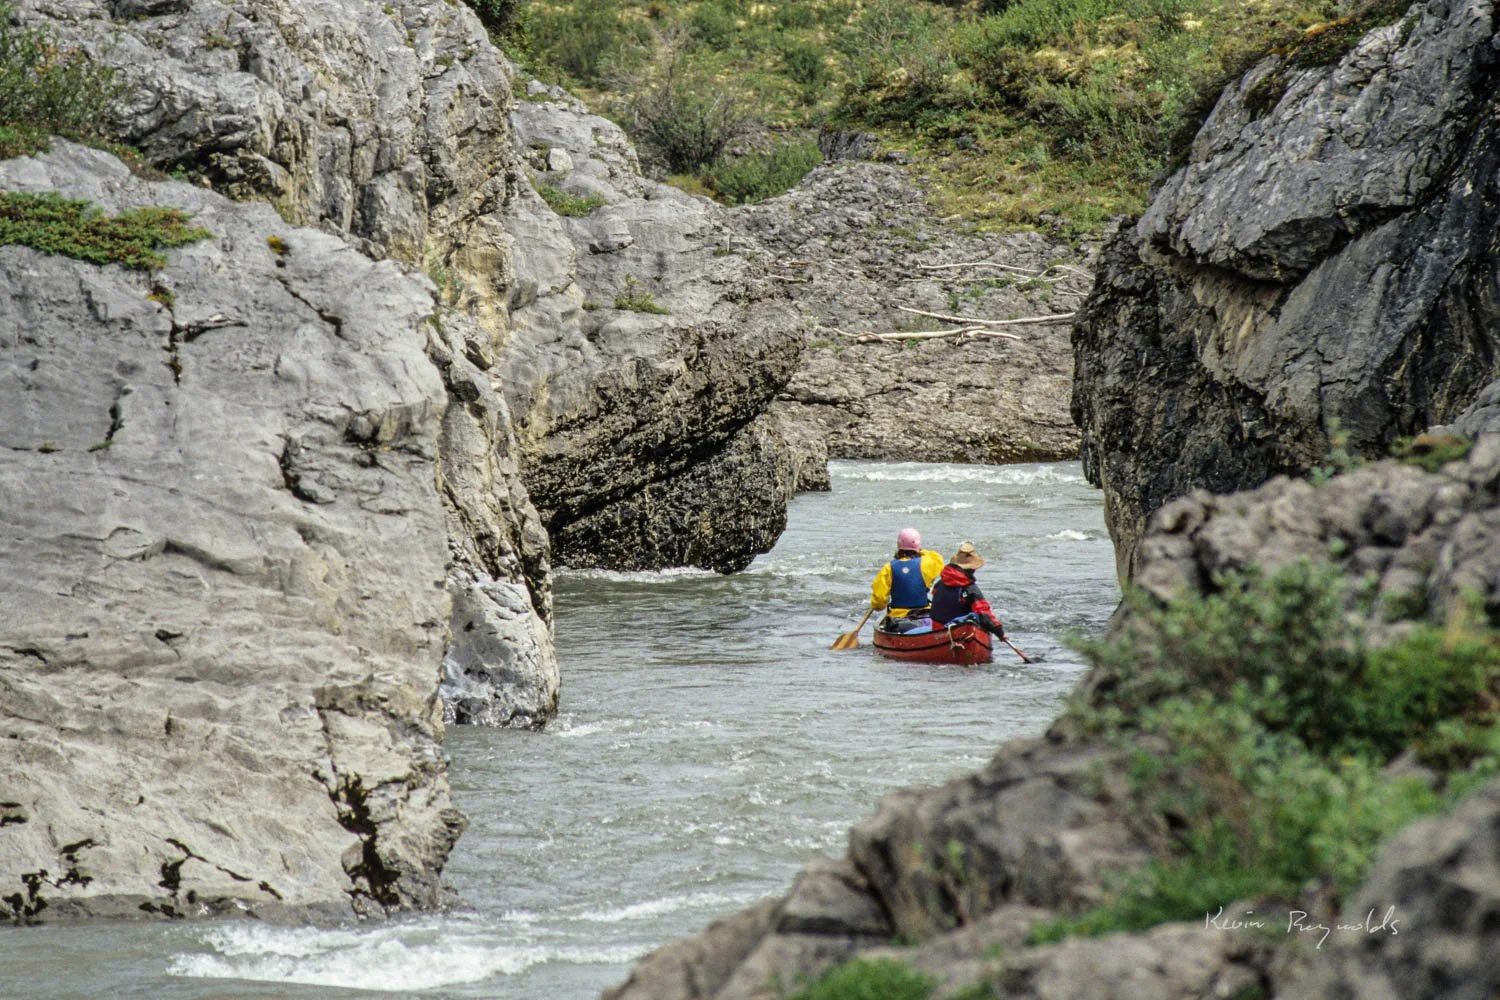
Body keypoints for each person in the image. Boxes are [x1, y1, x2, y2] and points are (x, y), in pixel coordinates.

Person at [930, 541, 1005, 637]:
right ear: (972, 569)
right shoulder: (970, 589)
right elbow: (983, 612)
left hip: (937, 631)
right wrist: (999, 632)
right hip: (959, 631)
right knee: (977, 617)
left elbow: (934, 596)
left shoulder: (939, 583)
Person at [870, 527, 945, 621]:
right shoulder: (927, 563)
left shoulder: (888, 568)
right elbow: (937, 557)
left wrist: (877, 605)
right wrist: (919, 550)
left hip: (897, 617)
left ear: (898, 545)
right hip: (923, 614)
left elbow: (879, 602)